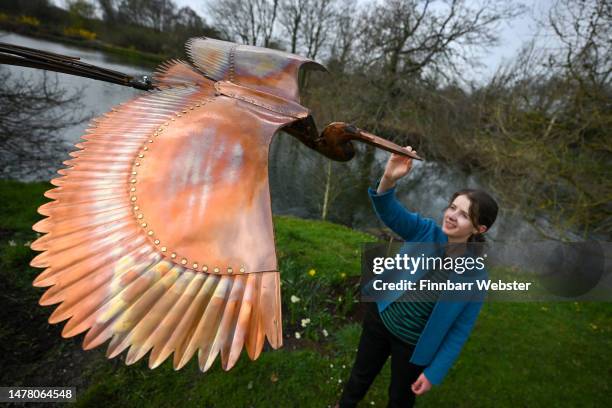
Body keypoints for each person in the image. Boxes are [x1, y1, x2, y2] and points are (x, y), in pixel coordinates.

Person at [336, 146, 499, 408]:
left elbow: (459, 331)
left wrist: (434, 372)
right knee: (359, 377)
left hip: (413, 347)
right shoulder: (425, 232)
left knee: (401, 399)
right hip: (381, 319)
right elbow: (390, 211)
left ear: (480, 228)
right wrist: (389, 178)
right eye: (452, 207)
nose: (451, 216)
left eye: (464, 215)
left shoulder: (475, 277)